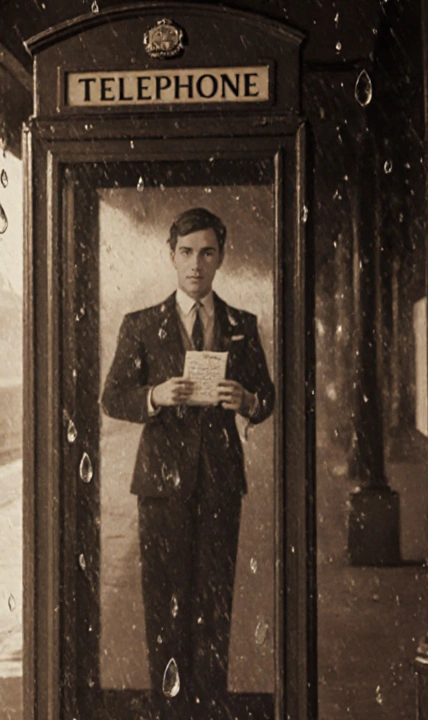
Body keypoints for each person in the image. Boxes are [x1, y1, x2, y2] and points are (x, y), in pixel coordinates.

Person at [100, 207, 274, 717]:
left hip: (220, 483)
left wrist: (246, 401)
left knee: (214, 605)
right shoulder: (140, 325)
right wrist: (154, 395)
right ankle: (170, 708)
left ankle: (210, 707)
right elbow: (112, 397)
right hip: (160, 486)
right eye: (186, 253)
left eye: (206, 253)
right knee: (165, 606)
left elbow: (267, 397)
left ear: (220, 258)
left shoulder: (242, 325)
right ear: (171, 256)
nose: (195, 264)